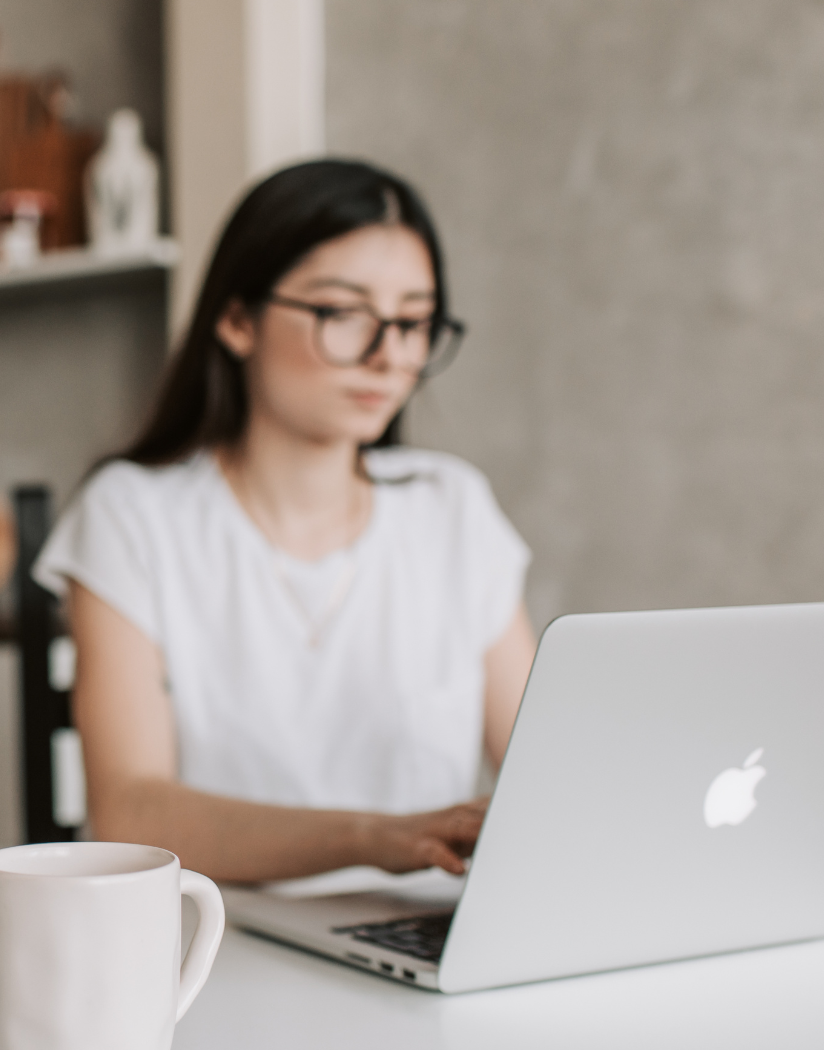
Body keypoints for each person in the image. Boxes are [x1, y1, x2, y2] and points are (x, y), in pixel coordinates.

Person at [32, 159, 538, 883]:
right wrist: (374, 837)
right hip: (213, 944)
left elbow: (541, 773)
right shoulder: (132, 517)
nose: (389, 355)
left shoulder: (451, 509)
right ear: (238, 320)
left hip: (421, 939)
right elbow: (130, 814)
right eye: (344, 314)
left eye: (415, 321)